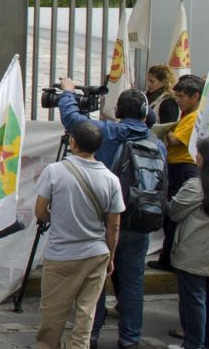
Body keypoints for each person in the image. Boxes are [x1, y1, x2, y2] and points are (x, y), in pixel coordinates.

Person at [58, 80, 165, 347]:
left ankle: (91, 335)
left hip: (103, 221)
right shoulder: (156, 144)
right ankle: (130, 339)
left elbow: (72, 120)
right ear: (144, 113)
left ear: (117, 111)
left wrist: (69, 93)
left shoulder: (107, 131)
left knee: (95, 280)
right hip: (140, 221)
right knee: (132, 284)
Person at [33, 121, 124, 349]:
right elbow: (114, 226)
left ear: (72, 142)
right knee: (86, 315)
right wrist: (111, 256)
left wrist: (57, 219)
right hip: (96, 254)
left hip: (61, 254)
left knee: (52, 316)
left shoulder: (55, 171)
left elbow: (40, 211)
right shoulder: (112, 179)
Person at [154, 74, 205, 273]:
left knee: (173, 214)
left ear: (195, 96)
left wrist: (167, 131)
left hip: (183, 168)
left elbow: (175, 140)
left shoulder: (194, 117)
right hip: (176, 166)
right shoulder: (186, 115)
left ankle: (168, 257)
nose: (179, 101)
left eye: (182, 96)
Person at [170, 137, 209, 349]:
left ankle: (193, 344)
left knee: (194, 301)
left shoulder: (196, 186)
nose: (196, 157)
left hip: (192, 253)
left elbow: (174, 211)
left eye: (199, 153)